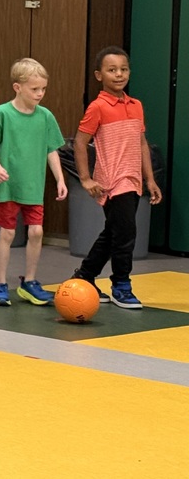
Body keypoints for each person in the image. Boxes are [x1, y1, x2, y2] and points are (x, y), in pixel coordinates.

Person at [71, 46, 162, 308]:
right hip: (112, 182)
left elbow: (141, 143)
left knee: (114, 232)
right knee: (125, 234)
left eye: (123, 69)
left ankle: (85, 276)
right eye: (112, 70)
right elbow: (79, 143)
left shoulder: (136, 106)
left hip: (133, 181)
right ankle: (121, 284)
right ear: (99, 75)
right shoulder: (97, 107)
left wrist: (150, 180)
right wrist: (86, 179)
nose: (119, 74)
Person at [0, 58, 67, 307]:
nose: (40, 93)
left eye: (43, 89)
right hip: (8, 186)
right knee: (7, 233)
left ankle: (29, 282)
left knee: (37, 231)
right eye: (34, 89)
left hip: (33, 186)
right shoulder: (3, 113)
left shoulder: (46, 117)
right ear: (17, 87)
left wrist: (60, 179)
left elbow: (52, 150)